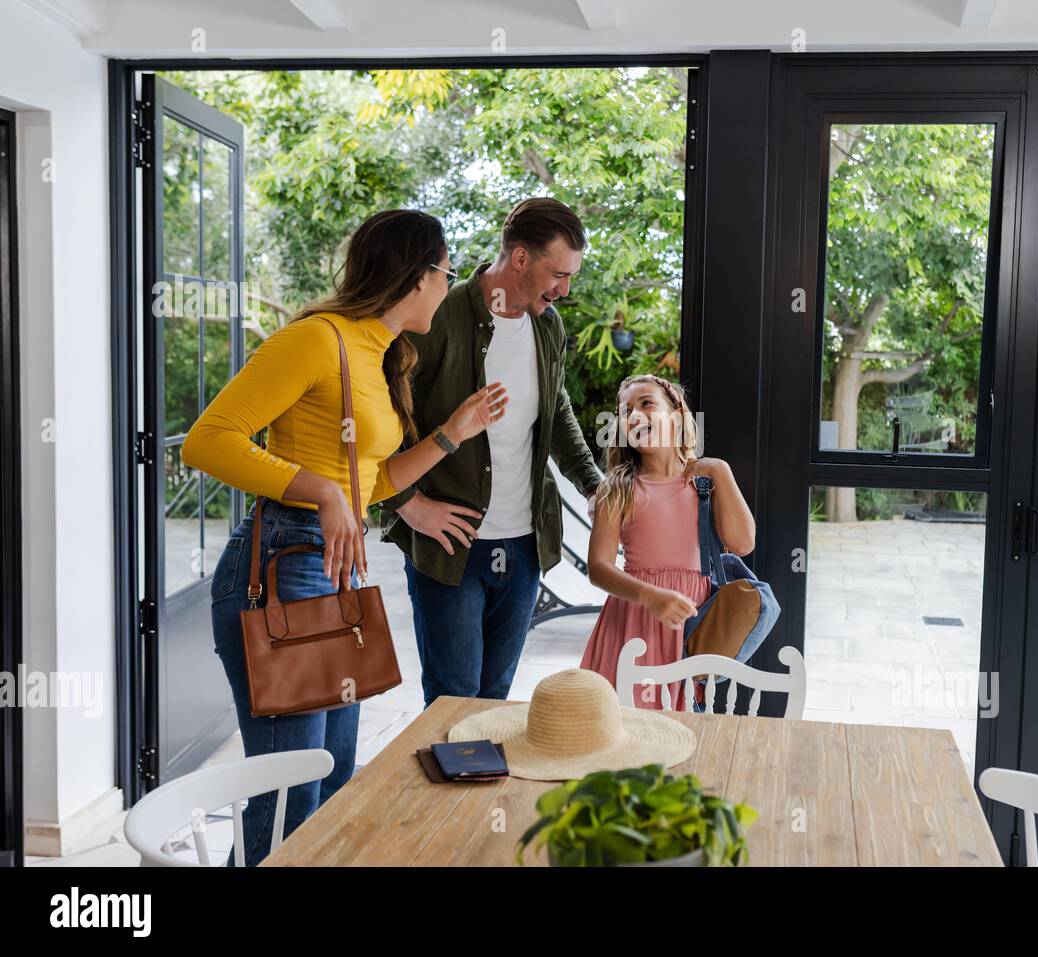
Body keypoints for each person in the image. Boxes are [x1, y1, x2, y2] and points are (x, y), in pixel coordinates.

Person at [181, 209, 507, 866]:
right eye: (446, 272)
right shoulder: (315, 340)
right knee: (288, 791)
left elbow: (374, 480)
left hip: (341, 569)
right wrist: (322, 491)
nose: (450, 286)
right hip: (285, 562)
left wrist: (452, 433)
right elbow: (208, 440)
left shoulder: (382, 354)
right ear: (417, 274)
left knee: (330, 778)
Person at [377, 198, 603, 707]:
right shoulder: (436, 316)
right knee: (453, 701)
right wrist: (408, 504)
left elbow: (556, 405)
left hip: (524, 544)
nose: (565, 290)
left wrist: (593, 484)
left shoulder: (548, 325)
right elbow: (383, 416)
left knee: (495, 697)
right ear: (520, 259)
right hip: (451, 544)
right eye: (558, 274)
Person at [579, 374, 756, 711]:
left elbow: (743, 542)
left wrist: (721, 470)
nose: (634, 415)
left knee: (681, 724)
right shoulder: (617, 488)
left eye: (646, 404)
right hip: (635, 619)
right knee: (628, 724)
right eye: (625, 411)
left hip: (691, 622)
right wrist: (651, 596)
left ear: (676, 415)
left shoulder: (707, 480)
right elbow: (598, 568)